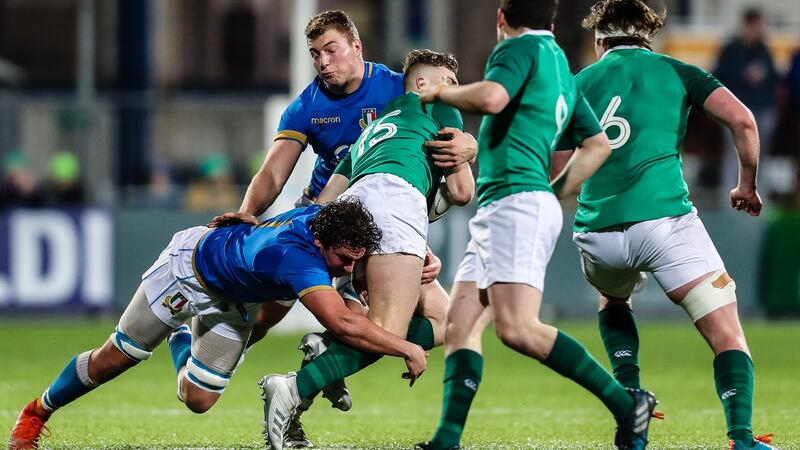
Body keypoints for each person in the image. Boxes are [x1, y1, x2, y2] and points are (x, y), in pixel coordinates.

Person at [414, 1, 662, 449]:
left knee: (517, 328)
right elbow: (598, 144)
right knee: (461, 323)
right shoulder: (560, 65)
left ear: (501, 16)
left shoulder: (518, 48)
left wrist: (438, 93)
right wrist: (554, 189)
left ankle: (628, 406)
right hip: (507, 204)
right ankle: (446, 440)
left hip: (515, 204)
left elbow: (492, 97)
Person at [7, 198, 427, 450]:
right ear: (320, 242)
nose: (350, 267)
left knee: (197, 401)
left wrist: (419, 253)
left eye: (357, 259)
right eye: (344, 259)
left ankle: (180, 338)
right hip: (187, 272)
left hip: (235, 298)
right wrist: (406, 346)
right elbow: (344, 322)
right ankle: (35, 413)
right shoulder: (297, 259)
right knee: (116, 358)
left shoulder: (320, 220)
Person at [565, 1, 774, 449]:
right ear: (648, 37)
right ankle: (741, 437)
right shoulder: (675, 70)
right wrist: (747, 186)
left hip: (597, 233)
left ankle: (632, 405)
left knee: (613, 299)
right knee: (727, 333)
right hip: (664, 223)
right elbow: (743, 120)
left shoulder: (577, 81)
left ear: (600, 41)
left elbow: (549, 146)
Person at [260, 48, 475, 450]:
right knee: (387, 332)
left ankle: (329, 348)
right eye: (450, 82)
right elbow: (462, 192)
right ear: (423, 84)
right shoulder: (441, 108)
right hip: (397, 201)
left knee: (448, 319)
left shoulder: (373, 128)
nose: (455, 91)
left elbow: (326, 202)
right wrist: (464, 156)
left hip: (356, 208)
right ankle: (294, 387)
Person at [713, 8, 778, 205]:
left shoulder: (764, 49)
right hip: (736, 112)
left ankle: (758, 198)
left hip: (762, 110)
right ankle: (729, 200)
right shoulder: (731, 49)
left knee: (761, 156)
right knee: (734, 155)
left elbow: (774, 77)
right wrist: (743, 74)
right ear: (747, 25)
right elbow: (717, 76)